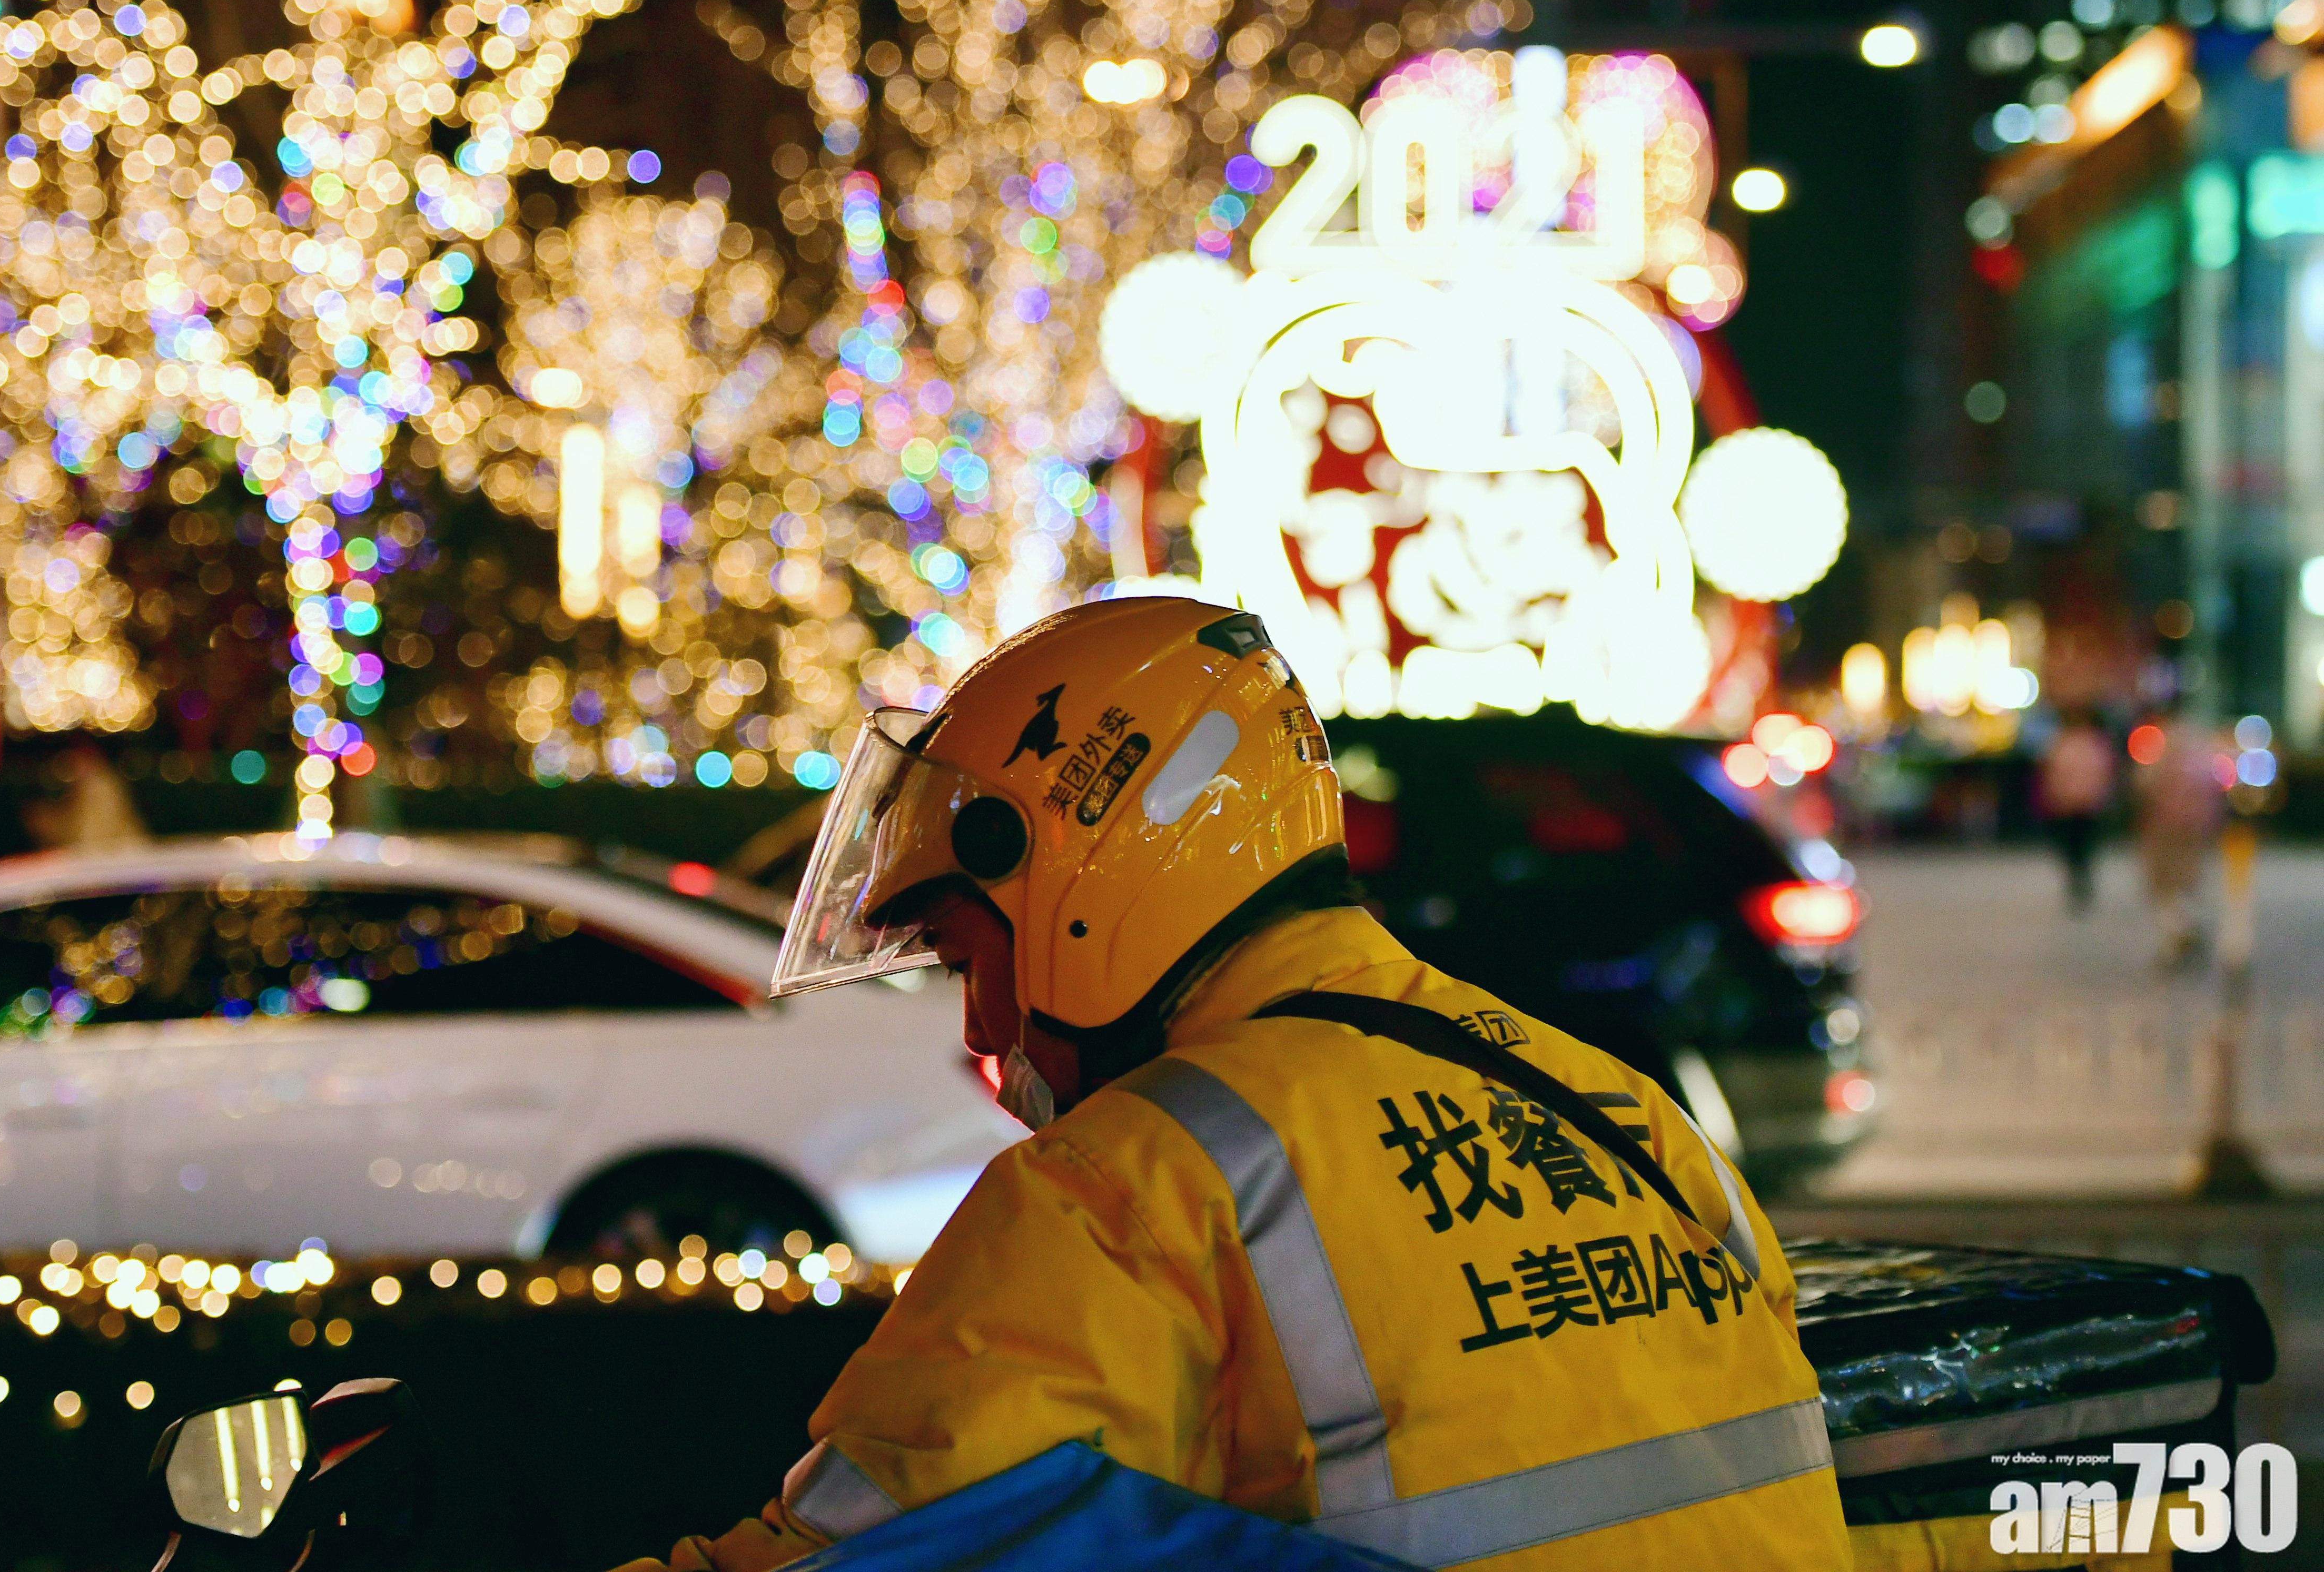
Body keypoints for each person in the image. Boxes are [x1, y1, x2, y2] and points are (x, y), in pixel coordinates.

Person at [624, 597, 1850, 1571]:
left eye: (966, 957)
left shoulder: (1123, 1190)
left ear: (1076, 887)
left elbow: (865, 1556)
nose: (983, 1022)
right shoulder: (1631, 1119)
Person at [2133, 711, 2224, 968]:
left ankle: (2178, 934)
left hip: (2165, 824)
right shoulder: (2201, 749)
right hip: (2196, 826)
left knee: (2163, 886)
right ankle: (2183, 929)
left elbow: (2145, 784)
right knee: (2186, 881)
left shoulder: (2161, 748)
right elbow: (2214, 788)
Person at [2038, 710, 2115, 914]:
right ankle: (2076, 882)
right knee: (2070, 848)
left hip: (2086, 805)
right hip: (2069, 806)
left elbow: (2103, 772)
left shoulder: (2091, 743)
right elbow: (2054, 773)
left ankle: (2082, 881)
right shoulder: (2064, 742)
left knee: (2085, 848)